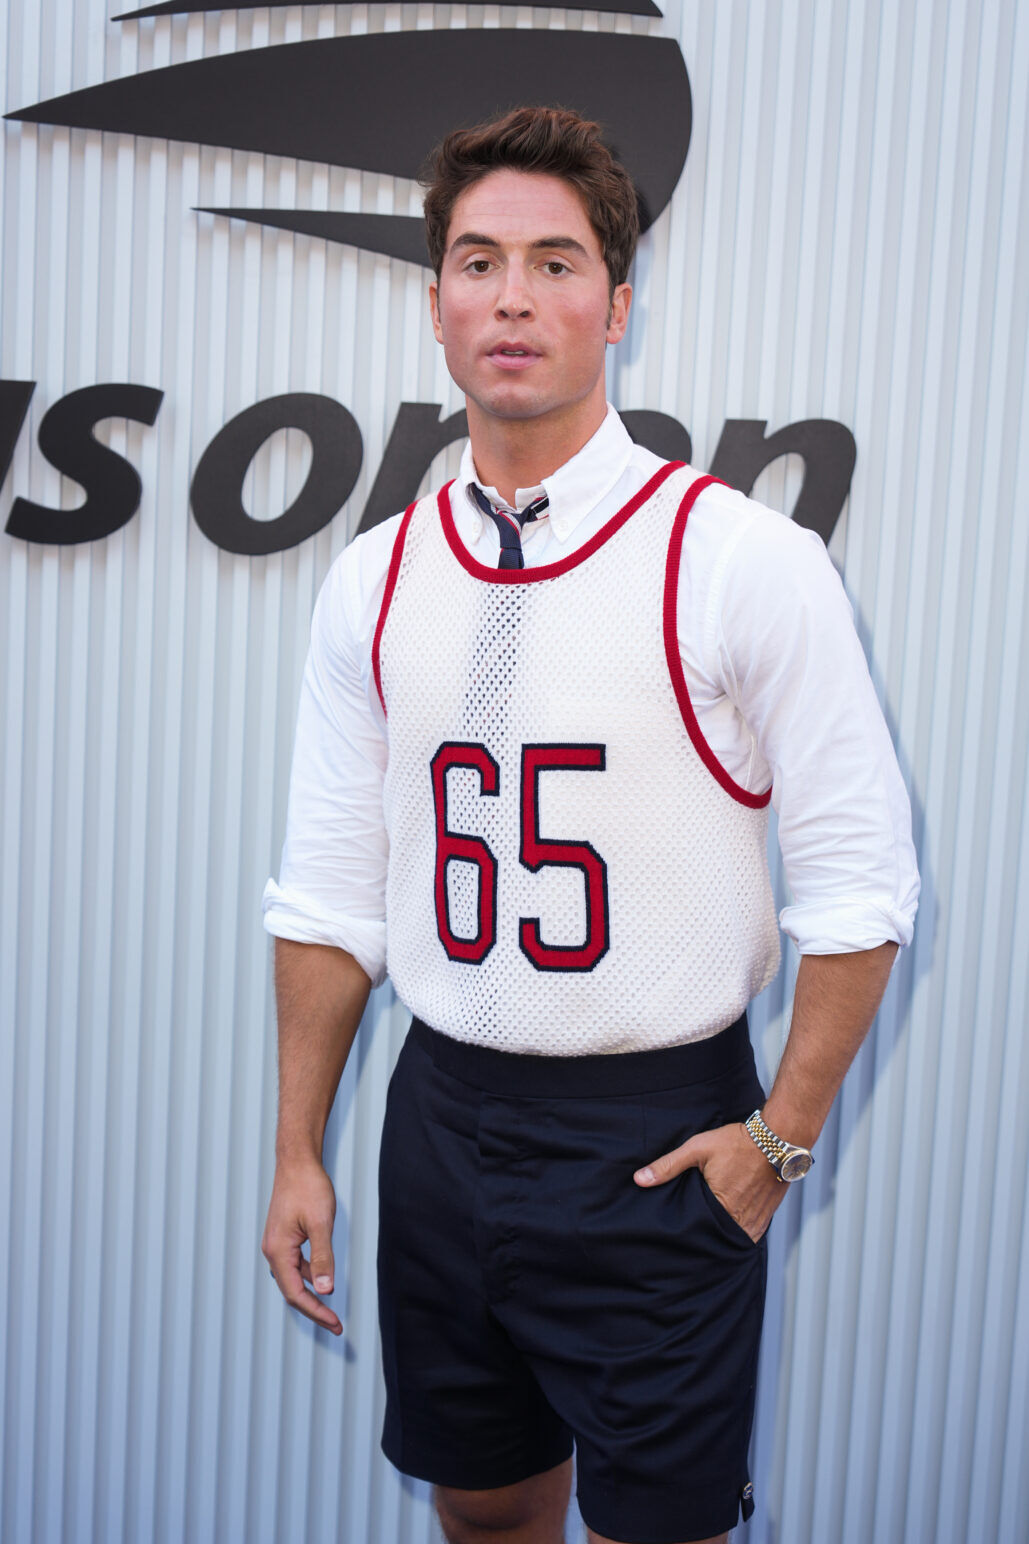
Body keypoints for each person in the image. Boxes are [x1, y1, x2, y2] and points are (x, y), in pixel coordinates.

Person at [261, 107, 919, 1544]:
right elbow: (326, 895)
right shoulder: (372, 578)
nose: (512, 296)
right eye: (477, 261)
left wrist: (779, 1141)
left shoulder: (740, 559)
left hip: (656, 1130)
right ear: (433, 301)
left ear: (616, 306)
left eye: (554, 263)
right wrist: (298, 1146)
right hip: (437, 1120)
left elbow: (860, 887)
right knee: (483, 1509)